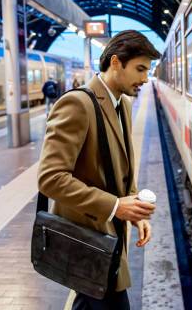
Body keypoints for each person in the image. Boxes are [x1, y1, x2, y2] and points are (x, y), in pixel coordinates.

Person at [37, 30, 161, 309]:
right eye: (140, 69)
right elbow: (50, 178)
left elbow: (122, 165)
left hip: (110, 238)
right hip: (89, 240)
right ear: (115, 62)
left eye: (147, 70)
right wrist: (116, 206)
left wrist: (135, 209)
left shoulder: (124, 105)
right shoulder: (77, 103)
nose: (145, 78)